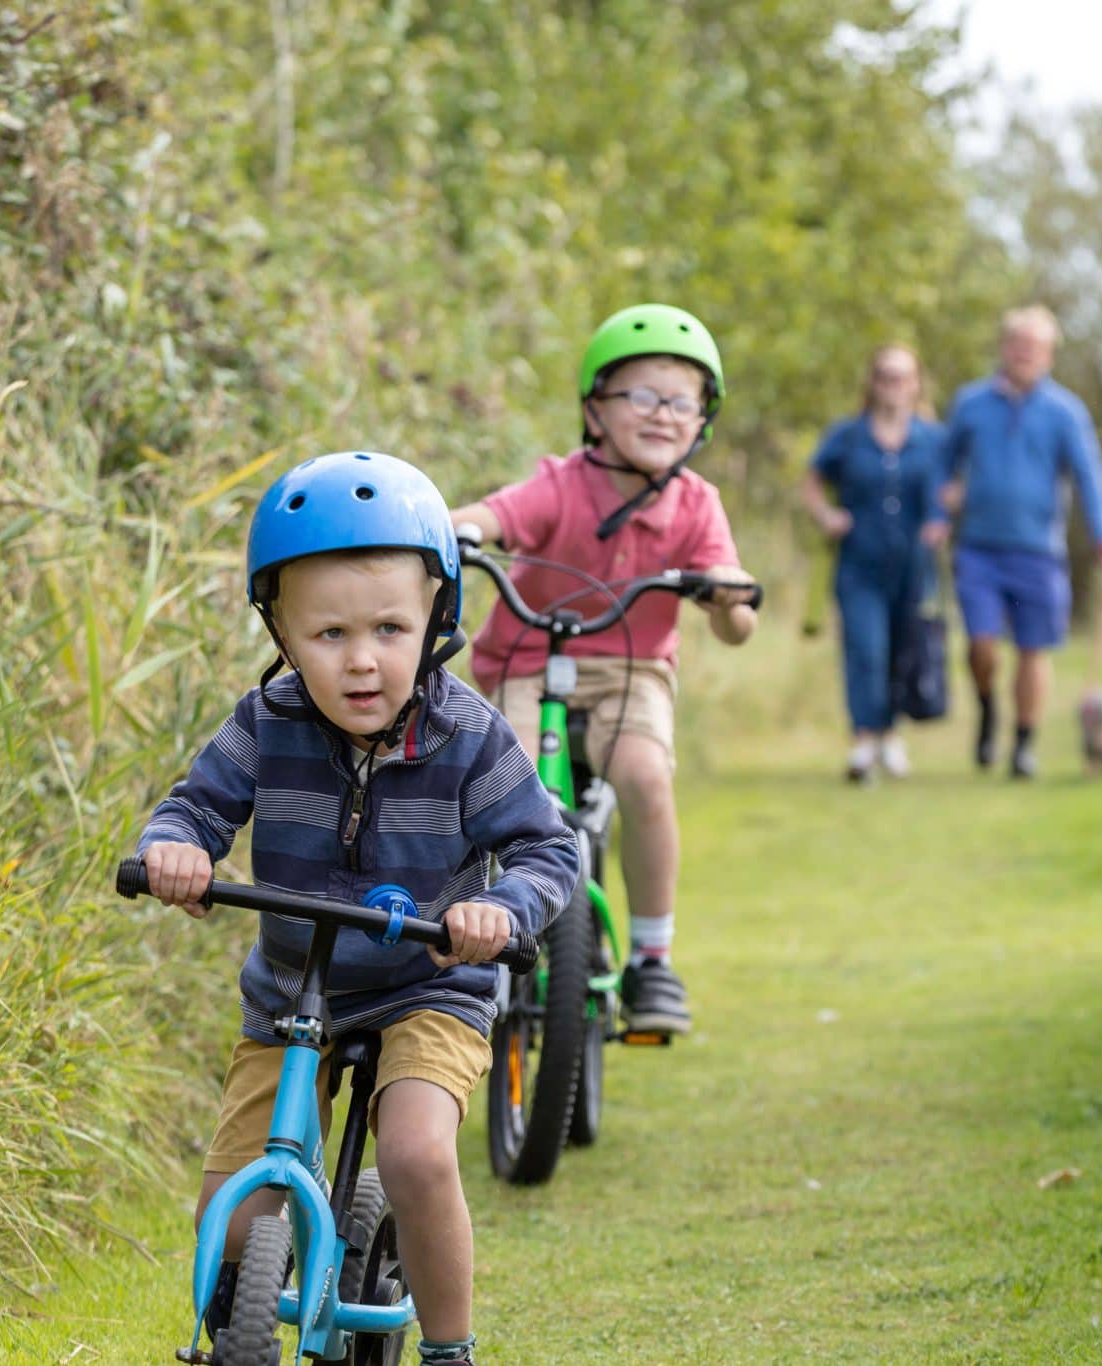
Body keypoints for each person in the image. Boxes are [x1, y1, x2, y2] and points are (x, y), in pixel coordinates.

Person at [136, 451, 581, 1366]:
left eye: (389, 628)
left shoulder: (469, 736)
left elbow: (551, 846)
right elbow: (196, 806)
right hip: (295, 989)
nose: (363, 659)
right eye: (329, 634)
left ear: (435, 622)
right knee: (231, 1207)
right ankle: (231, 1336)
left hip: (431, 980)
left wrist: (503, 909)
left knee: (415, 1153)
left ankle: (450, 1349)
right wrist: (174, 850)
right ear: (283, 634)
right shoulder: (268, 722)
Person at [448, 304, 759, 1036]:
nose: (663, 415)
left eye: (683, 401)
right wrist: (458, 531)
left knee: (646, 776)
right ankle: (478, 941)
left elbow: (738, 622)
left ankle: (654, 958)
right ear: (595, 409)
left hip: (631, 671)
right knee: (502, 789)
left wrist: (726, 597)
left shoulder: (696, 504)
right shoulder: (560, 485)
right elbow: (490, 515)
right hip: (528, 662)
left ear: (702, 421)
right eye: (642, 396)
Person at [922, 306, 1102, 779]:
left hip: (1039, 550)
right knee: (982, 645)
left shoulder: (1066, 412)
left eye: (1033, 347)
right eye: (1016, 344)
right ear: (1003, 348)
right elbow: (942, 464)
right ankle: (988, 709)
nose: (1023, 354)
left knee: (1034, 650)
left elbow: (1089, 477)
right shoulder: (971, 403)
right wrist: (938, 513)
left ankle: (1022, 745)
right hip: (977, 547)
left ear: (1049, 355)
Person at [800, 343, 946, 782]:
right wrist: (826, 515)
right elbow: (811, 481)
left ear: (915, 384)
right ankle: (863, 739)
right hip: (858, 563)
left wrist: (941, 519)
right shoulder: (846, 436)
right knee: (866, 649)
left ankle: (890, 735)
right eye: (885, 375)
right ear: (872, 381)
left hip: (914, 566)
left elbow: (950, 491)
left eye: (902, 376)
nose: (893, 385)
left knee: (903, 652)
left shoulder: (934, 439)